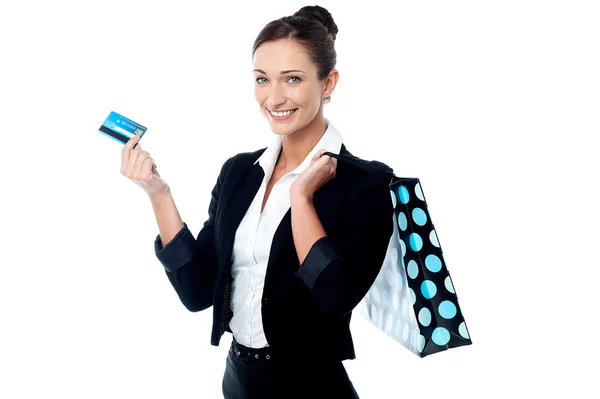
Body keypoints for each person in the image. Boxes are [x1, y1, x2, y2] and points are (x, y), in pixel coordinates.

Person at [120, 5, 394, 398]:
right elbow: (197, 293)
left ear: (328, 82)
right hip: (238, 380)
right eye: (262, 79)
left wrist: (300, 197)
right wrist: (158, 194)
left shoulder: (366, 183)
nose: (274, 97)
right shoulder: (239, 172)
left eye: (293, 79)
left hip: (312, 387)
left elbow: (334, 296)